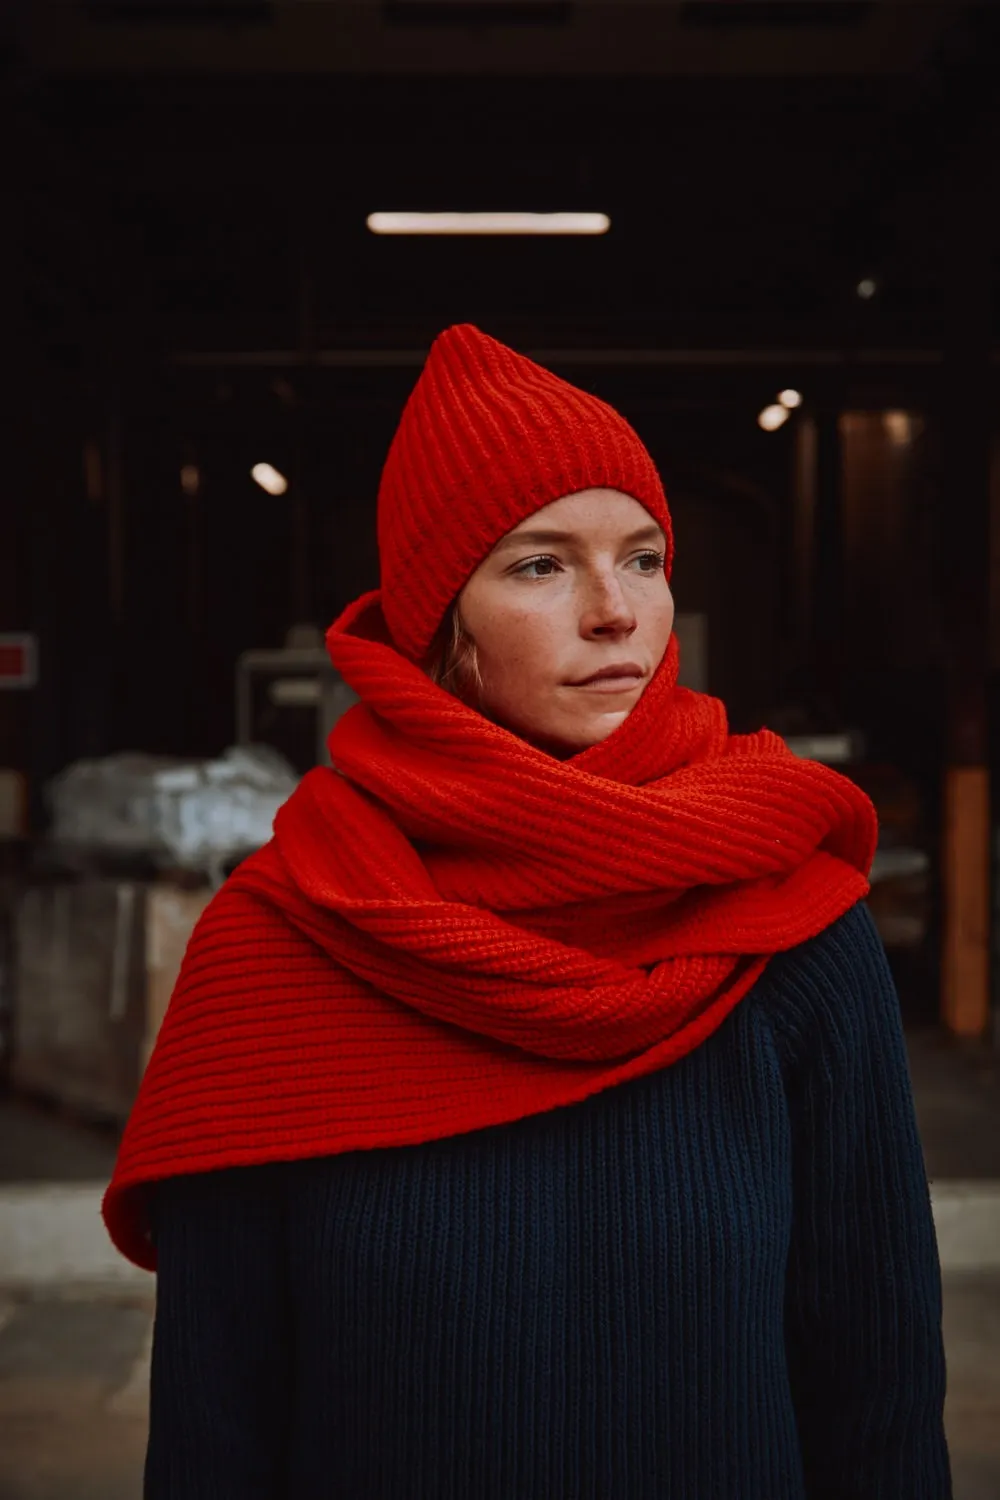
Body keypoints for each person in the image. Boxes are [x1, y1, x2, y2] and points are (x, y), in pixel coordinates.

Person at [104, 324, 951, 1499]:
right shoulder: (278, 943)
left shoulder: (790, 922)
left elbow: (880, 1388)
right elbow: (215, 1420)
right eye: (540, 564)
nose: (616, 611)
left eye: (644, 557)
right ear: (438, 627)